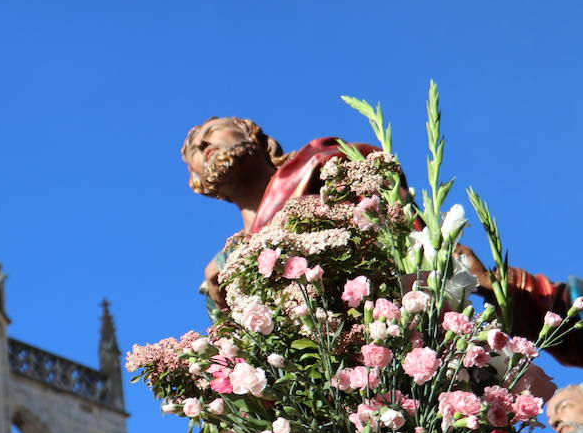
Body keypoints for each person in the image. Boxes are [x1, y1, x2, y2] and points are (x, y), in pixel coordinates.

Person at [181, 116, 583, 366]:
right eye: (193, 153)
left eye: (211, 132)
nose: (202, 146)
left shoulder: (320, 163)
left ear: (253, 133)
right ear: (201, 186)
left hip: (397, 325)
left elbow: (395, 215)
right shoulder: (223, 272)